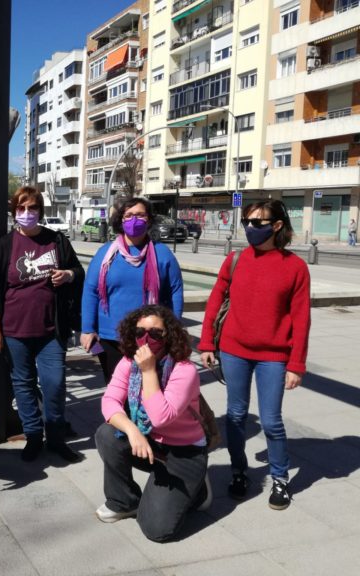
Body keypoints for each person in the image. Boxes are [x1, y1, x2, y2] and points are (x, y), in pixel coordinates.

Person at [199, 200, 311, 511]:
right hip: (234, 350)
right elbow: (214, 302)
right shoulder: (235, 260)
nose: (250, 228)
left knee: (272, 421)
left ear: (277, 226)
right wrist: (207, 343)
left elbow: (301, 319)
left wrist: (296, 364)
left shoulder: (295, 267)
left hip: (273, 356)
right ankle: (238, 472)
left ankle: (279, 478)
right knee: (235, 416)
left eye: (258, 223)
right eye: (247, 221)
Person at [0, 185, 84, 462]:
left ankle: (55, 438)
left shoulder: (57, 240)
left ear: (40, 210)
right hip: (15, 331)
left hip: (51, 331)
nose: (27, 213)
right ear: (14, 211)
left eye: (32, 208)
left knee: (55, 383)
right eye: (21, 208)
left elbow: (79, 272)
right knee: (23, 384)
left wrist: (67, 275)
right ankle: (33, 437)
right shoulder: (5, 245)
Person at [95, 305, 211, 542]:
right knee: (107, 434)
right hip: (150, 443)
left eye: (156, 333)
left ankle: (197, 490)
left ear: (169, 334)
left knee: (156, 530)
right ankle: (124, 501)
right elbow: (109, 401)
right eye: (140, 332)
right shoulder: (129, 362)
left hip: (184, 452)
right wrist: (132, 430)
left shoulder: (184, 370)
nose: (147, 339)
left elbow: (161, 417)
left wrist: (148, 371)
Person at [80, 197, 184, 386]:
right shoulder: (105, 254)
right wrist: (88, 328)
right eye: (128, 215)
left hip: (151, 337)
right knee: (117, 391)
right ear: (120, 220)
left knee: (149, 390)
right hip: (112, 338)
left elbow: (175, 291)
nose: (134, 220)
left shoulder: (162, 253)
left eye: (140, 215)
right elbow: (90, 290)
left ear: (149, 220)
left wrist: (174, 328)